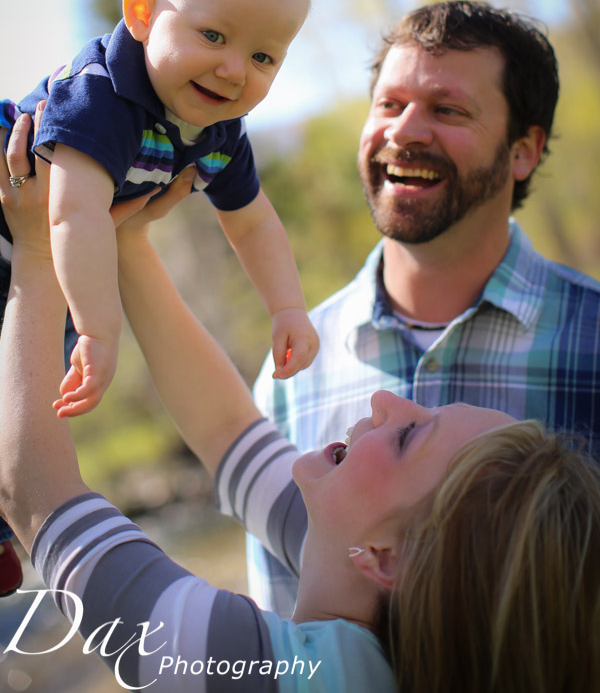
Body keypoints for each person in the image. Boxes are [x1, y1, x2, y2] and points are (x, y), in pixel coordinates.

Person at [0, 110, 598, 693]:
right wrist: (125, 240)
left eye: (409, 434)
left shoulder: (275, 674)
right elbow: (228, 431)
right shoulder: (374, 575)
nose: (390, 401)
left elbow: (31, 491)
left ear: (390, 560)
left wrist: (38, 251)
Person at [0, 0, 319, 593]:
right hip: (24, 212)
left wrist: (287, 307)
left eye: (264, 56)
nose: (235, 69)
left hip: (40, 255)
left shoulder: (218, 131)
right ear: (142, 15)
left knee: (30, 371)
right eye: (214, 34)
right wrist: (101, 328)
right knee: (50, 350)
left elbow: (254, 221)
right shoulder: (102, 95)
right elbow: (71, 216)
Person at [249, 0, 600, 616]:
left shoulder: (592, 342)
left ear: (524, 150)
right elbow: (282, 623)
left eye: (447, 109)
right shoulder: (290, 372)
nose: (404, 130)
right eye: (388, 104)